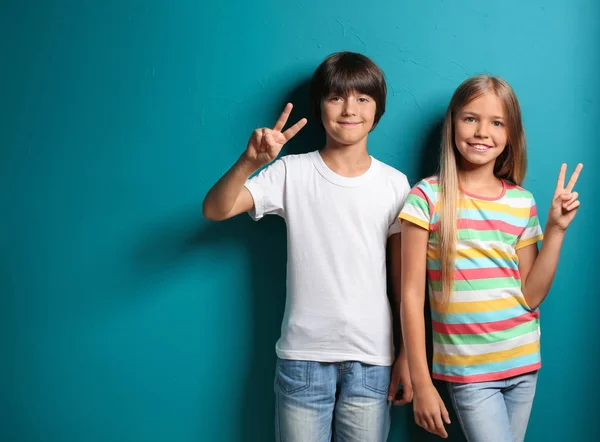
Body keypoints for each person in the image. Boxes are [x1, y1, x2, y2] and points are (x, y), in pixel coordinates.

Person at [203, 51, 412, 441]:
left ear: (378, 108)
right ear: (319, 106)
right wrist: (249, 163)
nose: (350, 109)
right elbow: (216, 210)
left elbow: (402, 284)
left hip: (372, 361)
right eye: (336, 97)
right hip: (303, 358)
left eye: (363, 98)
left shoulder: (395, 184)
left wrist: (405, 355)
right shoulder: (290, 172)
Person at [399, 74, 583, 441]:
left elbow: (530, 295)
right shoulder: (427, 196)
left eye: (497, 122)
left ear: (511, 134)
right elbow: (410, 296)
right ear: (452, 124)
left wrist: (556, 229)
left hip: (523, 362)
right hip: (470, 372)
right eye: (470, 118)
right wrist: (422, 382)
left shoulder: (521, 202)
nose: (483, 131)